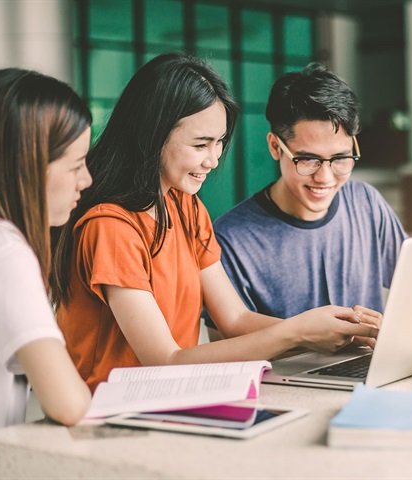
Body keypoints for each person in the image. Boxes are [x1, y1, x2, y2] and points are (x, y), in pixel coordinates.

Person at [51, 52, 379, 394]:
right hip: (110, 415)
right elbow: (164, 360)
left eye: (220, 142)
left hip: (170, 402)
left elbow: (235, 320)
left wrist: (325, 333)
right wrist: (296, 333)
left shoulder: (185, 207)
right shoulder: (111, 227)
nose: (214, 158)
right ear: (152, 134)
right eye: (200, 144)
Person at [0, 68, 93, 476]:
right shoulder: (1, 251)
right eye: (75, 165)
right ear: (28, 166)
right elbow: (69, 405)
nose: (86, 181)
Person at [210, 63, 407, 333]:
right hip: (283, 374)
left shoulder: (366, 204)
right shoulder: (230, 238)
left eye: (340, 159)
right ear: (274, 147)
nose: (325, 177)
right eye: (309, 160)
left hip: (369, 368)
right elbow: (224, 340)